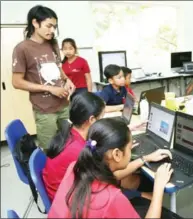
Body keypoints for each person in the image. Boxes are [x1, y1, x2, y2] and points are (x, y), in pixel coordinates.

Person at [48, 118, 178, 218]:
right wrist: (159, 187)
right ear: (116, 154)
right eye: (129, 148)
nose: (131, 149)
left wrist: (144, 159)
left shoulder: (76, 167)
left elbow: (111, 177)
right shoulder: (112, 198)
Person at [12, 5, 75, 150]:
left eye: (54, 26)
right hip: (45, 111)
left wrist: (67, 80)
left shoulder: (53, 44)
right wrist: (50, 89)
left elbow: (59, 68)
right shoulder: (22, 48)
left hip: (64, 105)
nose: (52, 30)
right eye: (49, 26)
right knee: (50, 150)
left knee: (69, 144)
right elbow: (16, 82)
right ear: (35, 23)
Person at [43, 92, 105, 201]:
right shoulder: (78, 150)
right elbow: (103, 179)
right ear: (91, 120)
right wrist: (141, 160)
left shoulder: (70, 132)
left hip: (60, 191)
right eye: (101, 118)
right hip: (67, 201)